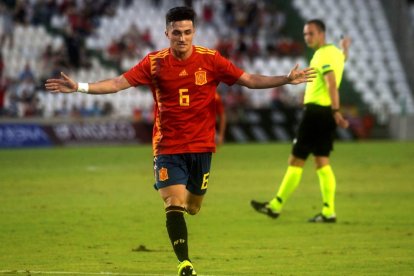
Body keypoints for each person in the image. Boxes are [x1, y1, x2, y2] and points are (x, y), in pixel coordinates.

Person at [45, 7, 315, 275]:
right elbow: (118, 83)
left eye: (187, 32)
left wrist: (286, 79)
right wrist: (80, 86)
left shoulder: (211, 60)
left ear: (194, 32)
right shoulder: (154, 62)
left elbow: (249, 79)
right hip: (168, 147)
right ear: (167, 33)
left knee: (193, 207)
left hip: (201, 148)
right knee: (173, 203)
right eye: (176, 32)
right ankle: (185, 263)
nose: (182, 38)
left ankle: (187, 224)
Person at [251, 19, 350, 223]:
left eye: (311, 33)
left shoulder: (323, 55)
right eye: (305, 34)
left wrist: (337, 110)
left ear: (322, 33)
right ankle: (328, 211)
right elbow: (342, 61)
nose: (307, 37)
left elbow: (331, 83)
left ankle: (276, 206)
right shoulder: (335, 54)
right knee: (322, 161)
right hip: (325, 114)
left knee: (296, 160)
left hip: (315, 114)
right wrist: (344, 48)